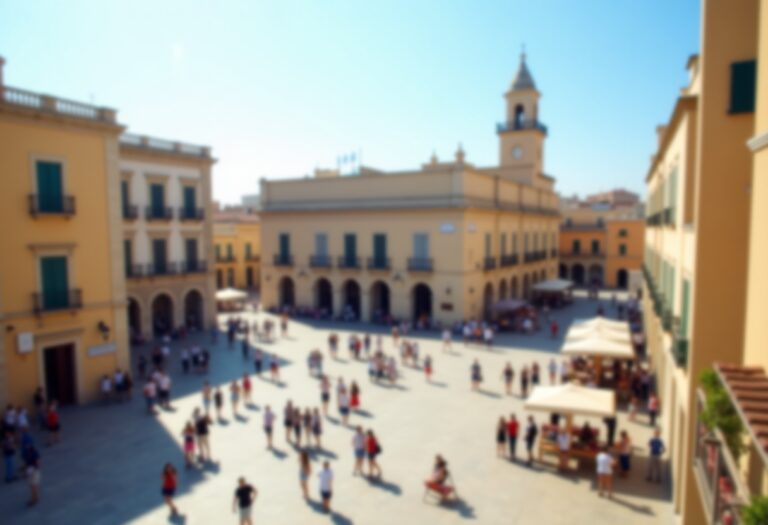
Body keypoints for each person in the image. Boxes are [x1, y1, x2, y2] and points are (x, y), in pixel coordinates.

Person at [22, 441, 40, 506]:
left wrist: (26, 471)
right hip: (33, 470)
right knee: (33, 485)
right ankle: (36, 497)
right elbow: (38, 463)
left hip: (33, 470)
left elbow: (37, 463)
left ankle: (34, 499)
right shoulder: (32, 452)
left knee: (33, 486)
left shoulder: (30, 452)